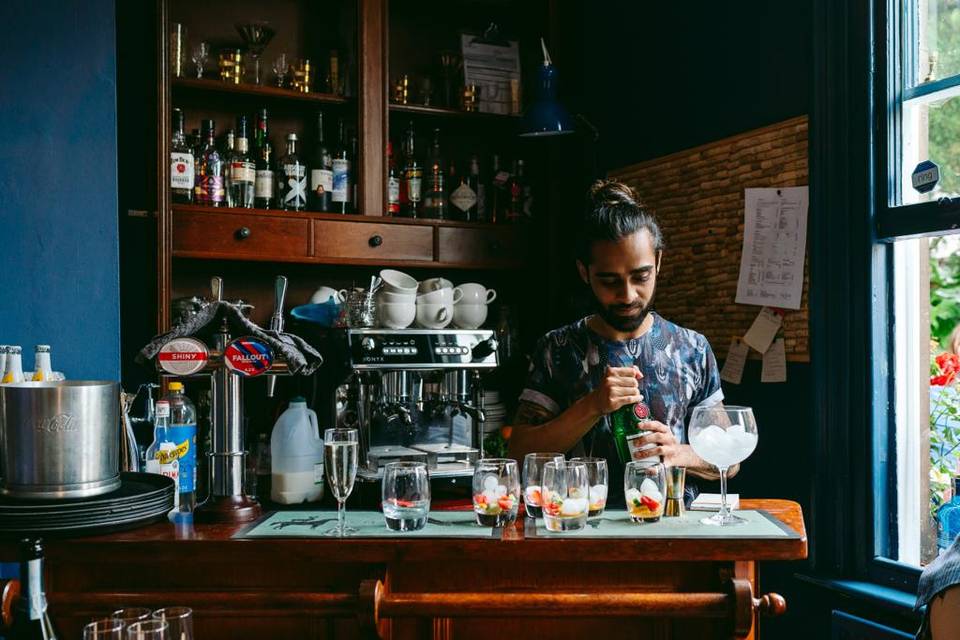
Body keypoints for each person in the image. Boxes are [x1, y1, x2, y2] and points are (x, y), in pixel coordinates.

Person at [507, 179, 734, 503]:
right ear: (584, 272)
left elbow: (730, 458)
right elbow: (518, 456)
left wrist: (679, 453)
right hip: (581, 534)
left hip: (675, 536)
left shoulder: (692, 349)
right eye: (609, 280)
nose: (627, 295)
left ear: (658, 262)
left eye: (640, 277)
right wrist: (593, 406)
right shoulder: (557, 349)